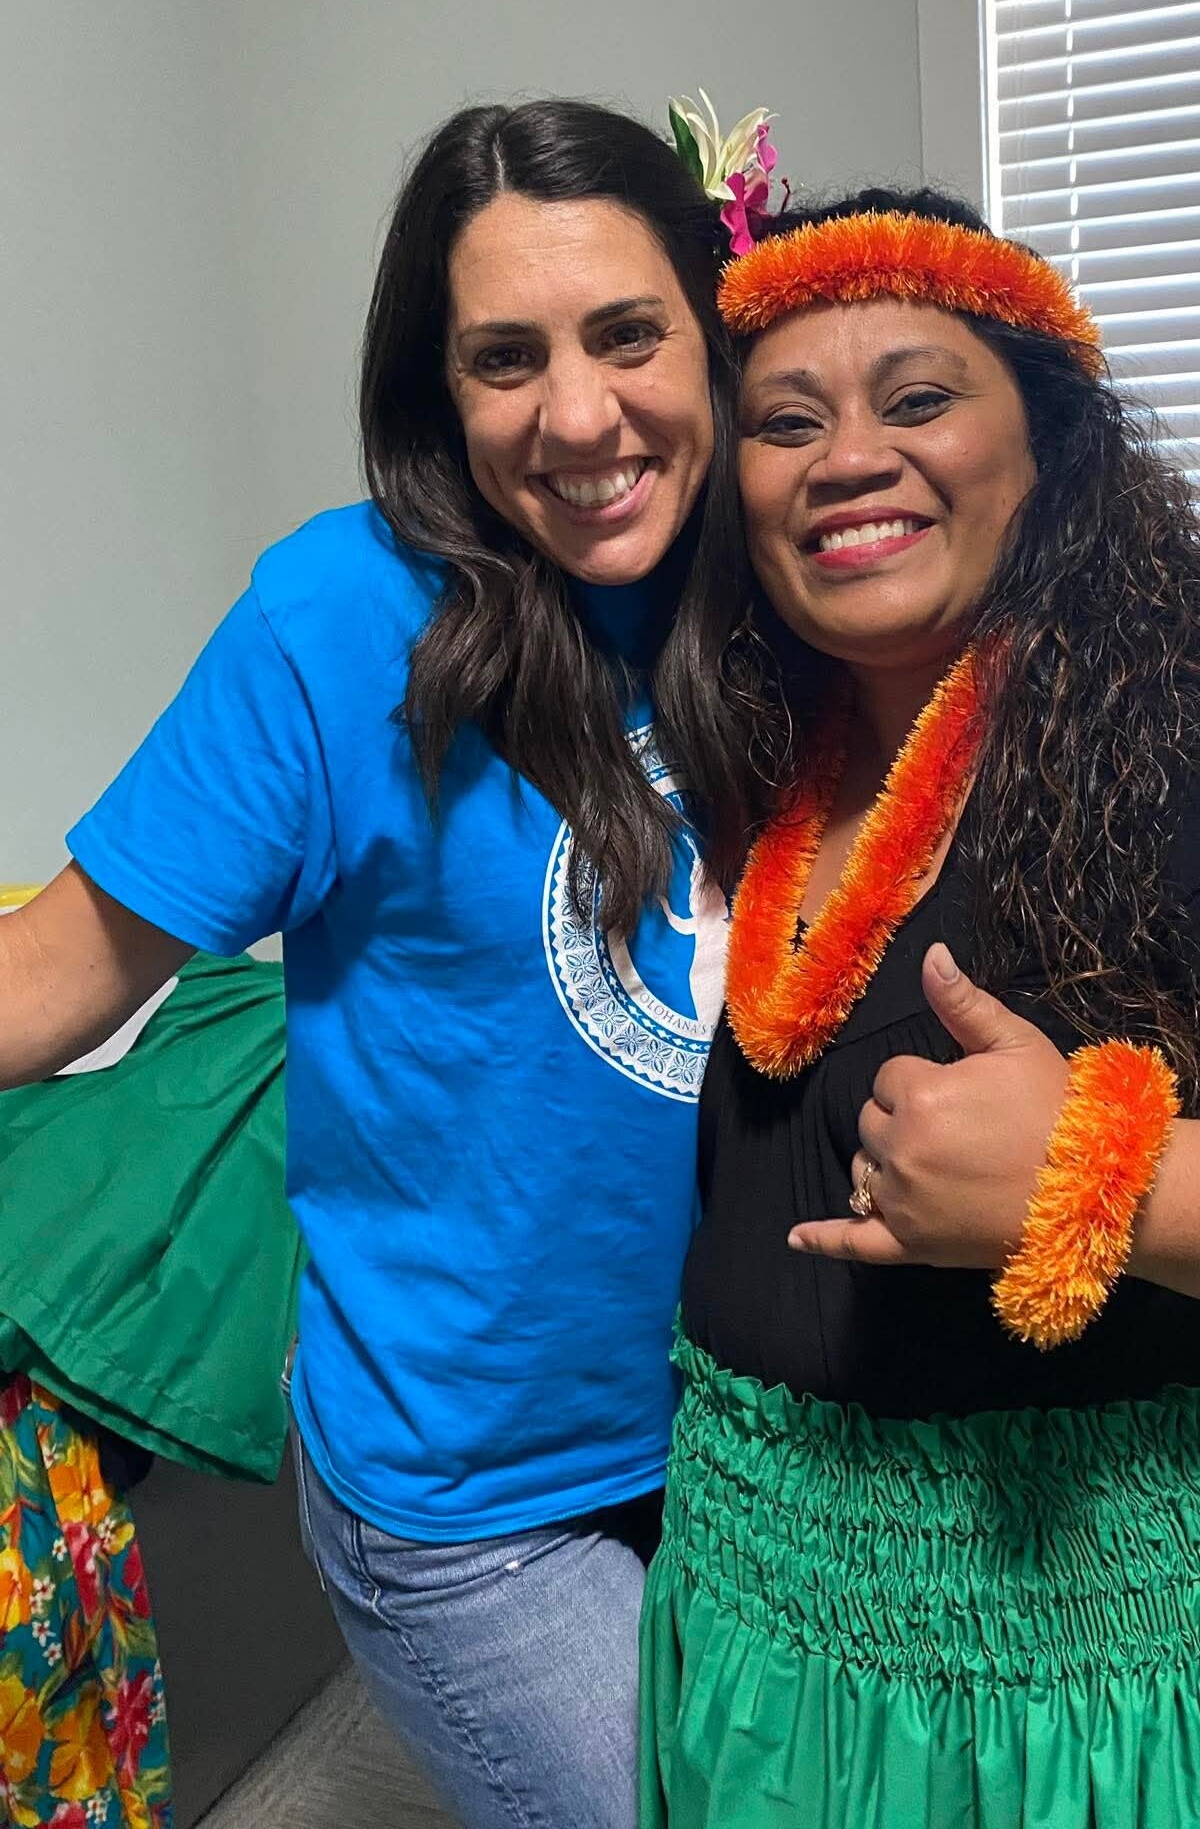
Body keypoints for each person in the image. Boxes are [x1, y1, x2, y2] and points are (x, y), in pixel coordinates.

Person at [642, 188, 1200, 1827]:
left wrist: (1105, 1179)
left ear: (1048, 448)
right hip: (801, 1665)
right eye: (787, 421)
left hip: (1183, 1703)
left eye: (919, 397)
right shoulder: (769, 759)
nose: (849, 457)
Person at [0, 98, 741, 1829]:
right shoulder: (335, 619)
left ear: (714, 334)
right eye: (505, 359)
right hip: (476, 1499)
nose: (580, 415)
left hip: (756, 1435)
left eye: (628, 334)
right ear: (438, 390)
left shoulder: (772, 584)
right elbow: (47, 983)